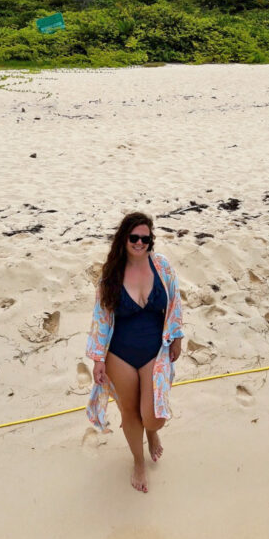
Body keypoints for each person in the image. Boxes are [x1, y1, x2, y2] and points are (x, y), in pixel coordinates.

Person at [86, 211, 183, 493]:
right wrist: (98, 359)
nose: (140, 242)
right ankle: (138, 461)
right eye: (134, 238)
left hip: (155, 350)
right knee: (130, 412)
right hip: (120, 353)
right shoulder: (112, 274)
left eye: (145, 238)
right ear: (124, 239)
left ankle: (152, 434)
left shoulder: (162, 267)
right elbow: (101, 317)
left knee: (153, 416)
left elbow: (175, 302)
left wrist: (177, 336)